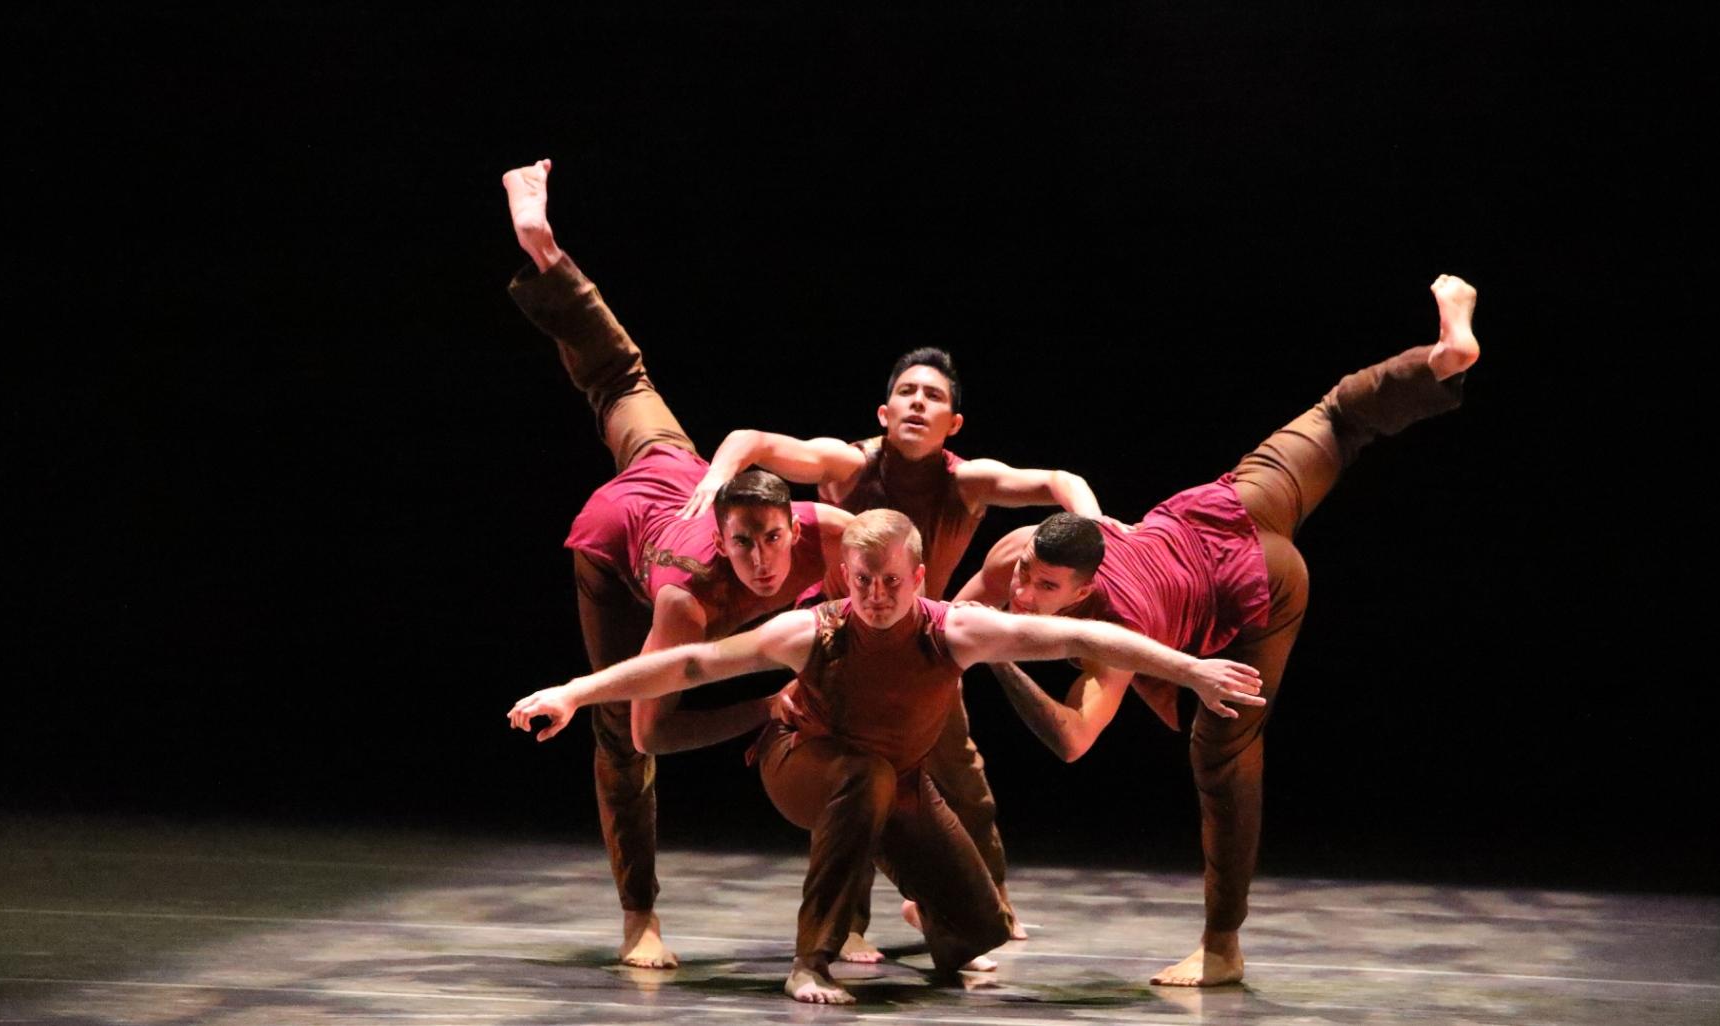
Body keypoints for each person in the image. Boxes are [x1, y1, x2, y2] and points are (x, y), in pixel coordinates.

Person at [952, 273, 1482, 988]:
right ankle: (1439, 360)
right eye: (1027, 579)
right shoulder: (1027, 551)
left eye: (1046, 590)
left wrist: (997, 659)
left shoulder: (1110, 628)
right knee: (1336, 417)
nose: (1024, 592)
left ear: (1084, 586)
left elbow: (1076, 740)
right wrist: (956, 640)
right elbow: (951, 618)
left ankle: (1222, 947)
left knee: (1222, 758)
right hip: (1222, 507)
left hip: (1255, 587)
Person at [509, 509, 1264, 1004]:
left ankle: (935, 926)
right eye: (863, 582)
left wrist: (1189, 669)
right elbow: (691, 666)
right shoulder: (812, 631)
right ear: (848, 579)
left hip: (894, 781)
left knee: (980, 928)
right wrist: (577, 690)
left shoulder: (954, 630)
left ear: (920, 580)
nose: (875, 596)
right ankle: (811, 959)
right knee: (862, 778)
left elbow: (1085, 639)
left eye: (891, 583)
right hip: (801, 759)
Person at [501, 158, 854, 968]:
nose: (766, 562)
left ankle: (543, 249)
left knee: (621, 374)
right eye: (746, 546)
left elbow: (889, 561)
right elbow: (652, 728)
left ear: (790, 524)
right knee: (619, 741)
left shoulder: (825, 530)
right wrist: (763, 707)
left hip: (673, 470)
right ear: (724, 540)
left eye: (774, 539)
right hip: (619, 545)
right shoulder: (689, 603)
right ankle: (639, 918)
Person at [677, 348, 1099, 948]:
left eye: (933, 396)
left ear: (954, 423)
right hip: (839, 650)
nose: (918, 403)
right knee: (857, 786)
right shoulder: (847, 465)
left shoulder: (967, 480)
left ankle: (990, 905)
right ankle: (846, 928)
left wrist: (1093, 525)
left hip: (919, 651)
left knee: (962, 776)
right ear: (884, 410)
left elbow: (1058, 481)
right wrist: (716, 480)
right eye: (907, 392)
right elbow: (749, 438)